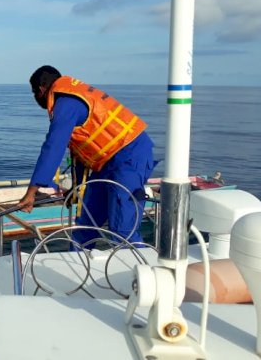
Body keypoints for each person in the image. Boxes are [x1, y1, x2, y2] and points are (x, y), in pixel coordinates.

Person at [17, 65, 156, 248]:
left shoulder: (66, 103)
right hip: (105, 163)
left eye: (34, 93)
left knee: (123, 229)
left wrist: (31, 192)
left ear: (42, 89)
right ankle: (75, 266)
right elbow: (79, 152)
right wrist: (76, 187)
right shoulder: (68, 99)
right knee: (85, 225)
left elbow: (53, 147)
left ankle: (139, 272)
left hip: (129, 155)